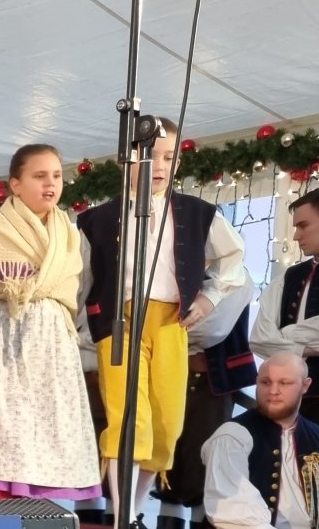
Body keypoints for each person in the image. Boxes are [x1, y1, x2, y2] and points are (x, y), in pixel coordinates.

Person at [76, 118, 247, 525]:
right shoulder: (97, 219)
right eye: (150, 156)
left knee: (167, 424)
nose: (160, 166)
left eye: (169, 158)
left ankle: (132, 511)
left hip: (171, 324)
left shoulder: (198, 213)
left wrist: (208, 298)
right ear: (127, 158)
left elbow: (232, 259)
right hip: (118, 324)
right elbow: (79, 281)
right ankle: (122, 516)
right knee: (128, 419)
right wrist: (74, 328)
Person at [0, 144, 101, 501]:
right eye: (39, 176)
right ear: (15, 185)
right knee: (7, 427)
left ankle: (40, 511)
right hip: (6, 337)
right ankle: (4, 510)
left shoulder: (68, 233)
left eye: (56, 176)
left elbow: (74, 294)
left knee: (48, 428)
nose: (50, 184)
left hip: (52, 343)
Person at [150, 283, 255, 529]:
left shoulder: (237, 279)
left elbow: (211, 329)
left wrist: (160, 329)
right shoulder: (181, 276)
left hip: (211, 383)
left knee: (204, 461)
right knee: (169, 457)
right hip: (172, 374)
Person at [202, 352, 319, 529]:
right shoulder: (232, 436)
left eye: (284, 383)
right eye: (265, 382)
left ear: (305, 385)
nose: (273, 391)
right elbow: (233, 511)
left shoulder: (316, 436)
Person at [252, 188, 319, 422]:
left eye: (303, 226)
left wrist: (287, 334)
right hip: (288, 400)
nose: (296, 236)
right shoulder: (290, 276)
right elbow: (259, 339)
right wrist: (305, 347)